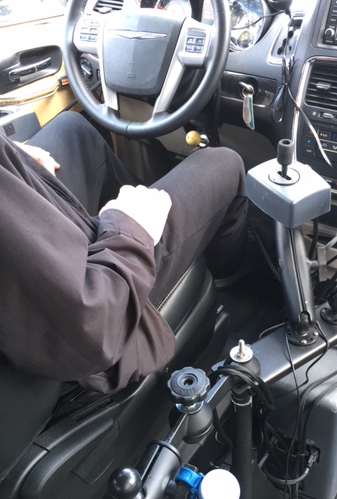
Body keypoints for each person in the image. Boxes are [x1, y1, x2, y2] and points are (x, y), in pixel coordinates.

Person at [0, 111, 248, 394]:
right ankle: (229, 282)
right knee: (224, 163)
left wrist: (12, 156)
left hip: (48, 253)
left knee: (75, 130)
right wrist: (130, 228)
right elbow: (90, 327)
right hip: (96, 313)